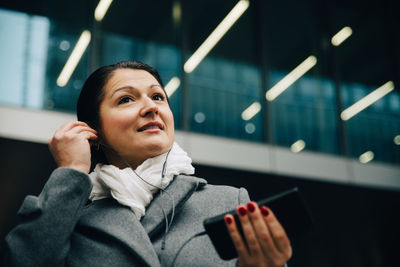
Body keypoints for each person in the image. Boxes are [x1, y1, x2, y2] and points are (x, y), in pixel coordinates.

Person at [4, 61, 292, 266]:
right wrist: (72, 172)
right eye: (126, 99)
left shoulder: (229, 202)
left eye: (158, 96)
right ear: (94, 130)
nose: (151, 106)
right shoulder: (69, 215)